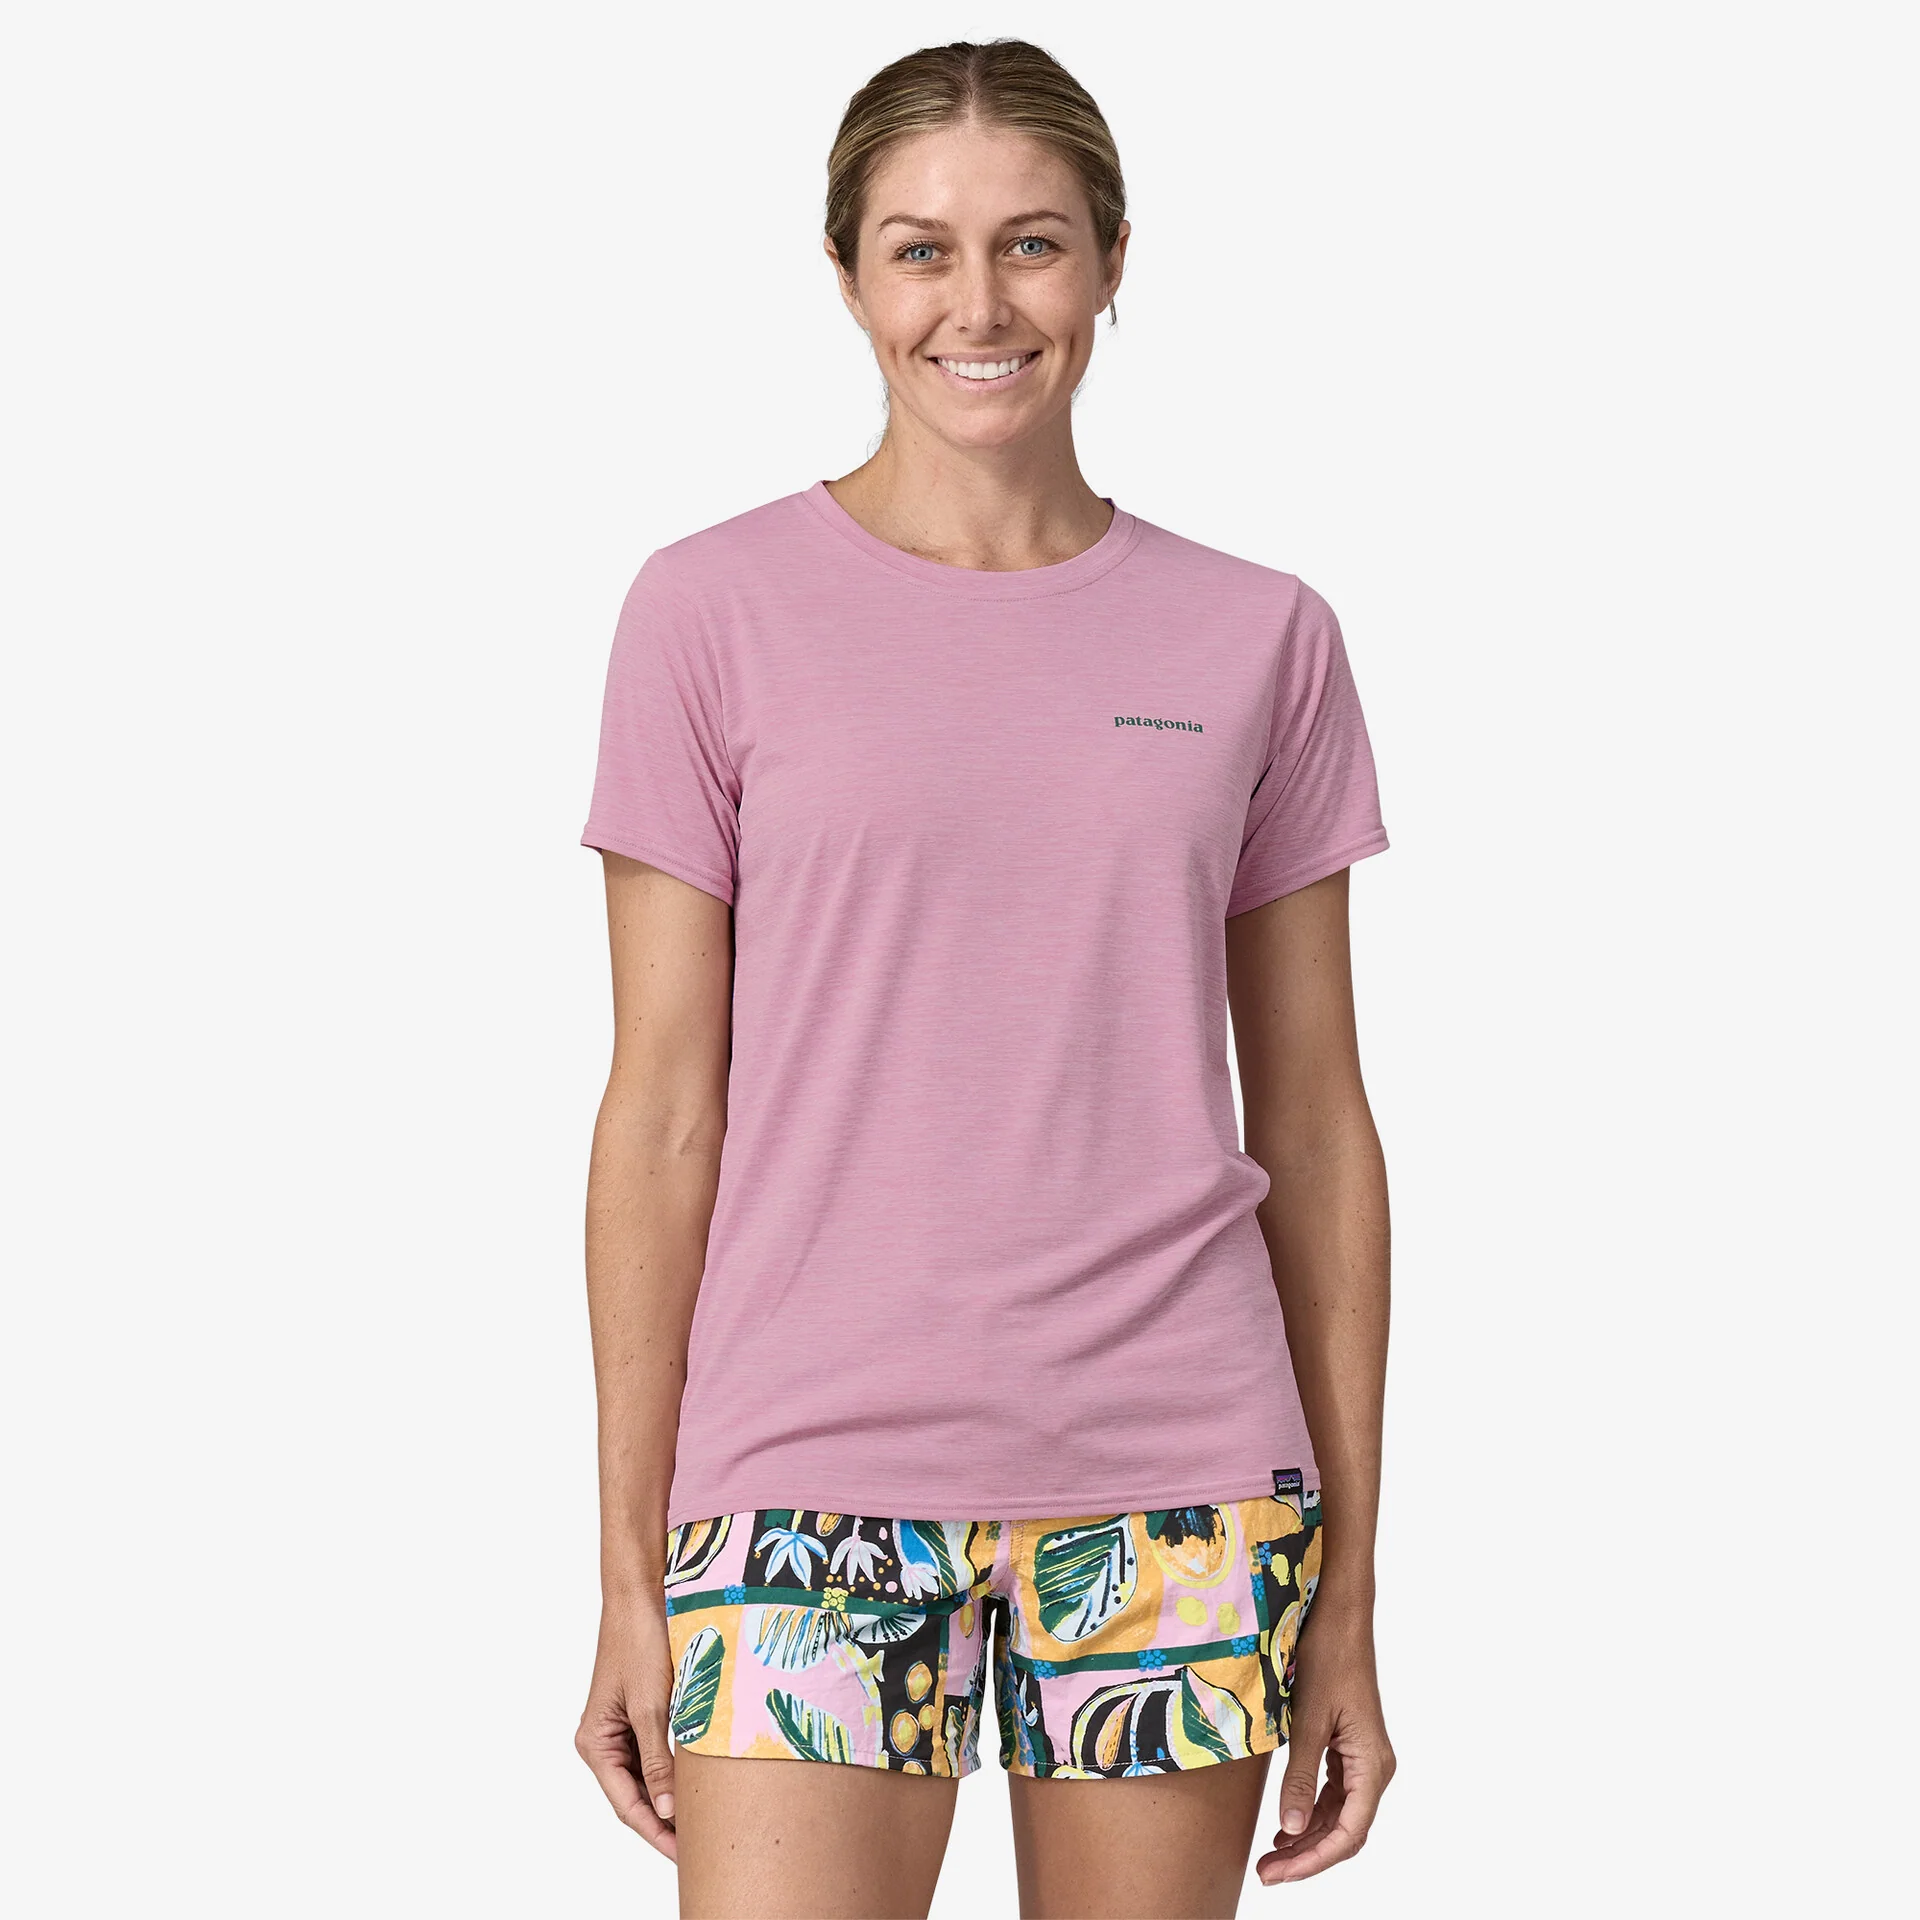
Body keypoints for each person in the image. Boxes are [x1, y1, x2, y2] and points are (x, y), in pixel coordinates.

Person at [575, 38, 1395, 1918]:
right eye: (919, 250)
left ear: (1111, 261)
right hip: (802, 1478)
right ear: (848, 277)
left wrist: (1350, 1582)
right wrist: (628, 1563)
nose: (979, 304)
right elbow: (664, 1113)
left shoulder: (1260, 635)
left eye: (1031, 244)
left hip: (1180, 1487)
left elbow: (1320, 1122)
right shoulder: (707, 612)